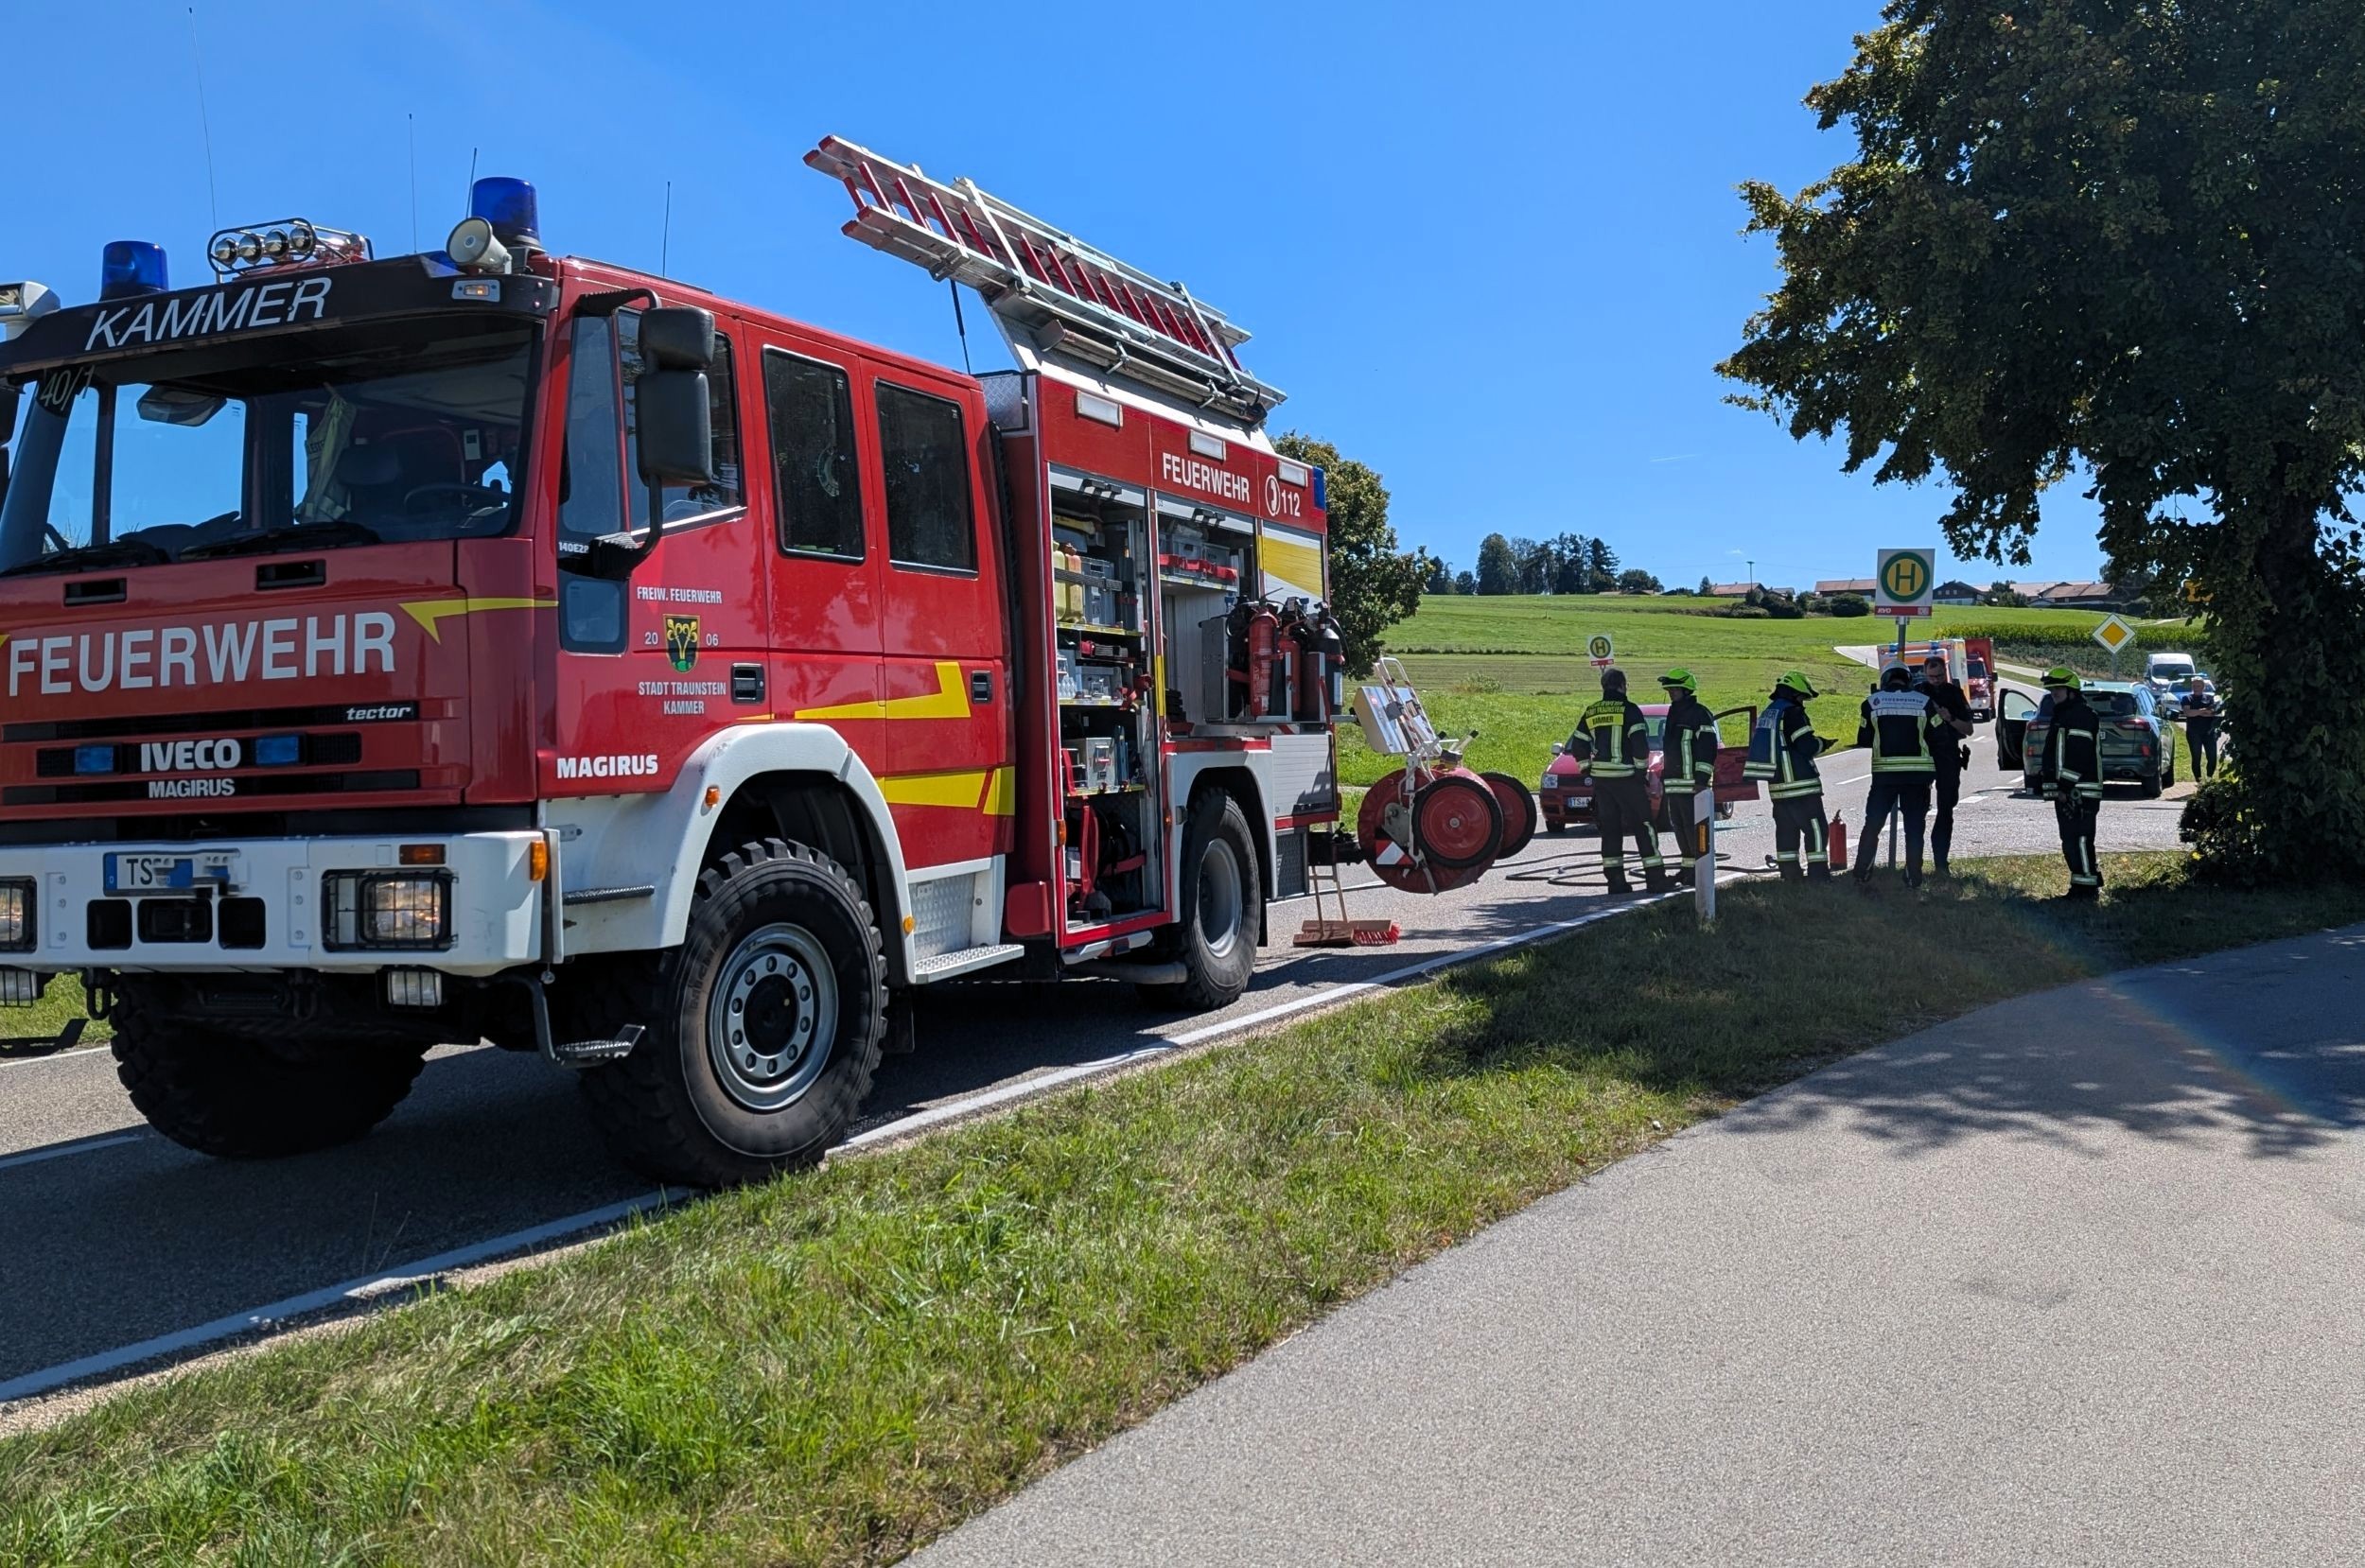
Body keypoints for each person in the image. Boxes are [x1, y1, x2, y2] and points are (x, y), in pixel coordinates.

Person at [1852, 665, 1944, 887]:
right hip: (1918, 776)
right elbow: (1939, 735)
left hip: (1885, 776)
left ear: (1885, 680)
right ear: (1908, 680)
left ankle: (1862, 872)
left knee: (1872, 824)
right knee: (1914, 827)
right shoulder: (1923, 702)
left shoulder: (1871, 703)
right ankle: (1914, 876)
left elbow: (1864, 739)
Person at [1577, 668, 1667, 895]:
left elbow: (1579, 744)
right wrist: (1640, 772)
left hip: (1602, 782)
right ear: (1623, 685)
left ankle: (1615, 882)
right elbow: (1640, 745)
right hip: (1627, 778)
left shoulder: (1592, 711)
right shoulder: (1630, 710)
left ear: (1603, 687)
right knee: (1644, 826)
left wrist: (1587, 769)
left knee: (1610, 830)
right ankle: (1655, 881)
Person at [1743, 671, 1833, 881]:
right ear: (1795, 694)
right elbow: (1806, 745)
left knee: (1786, 831)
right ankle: (1819, 875)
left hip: (1778, 788)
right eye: (1803, 697)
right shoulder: (1792, 712)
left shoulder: (1770, 713)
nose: (1803, 702)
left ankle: (1790, 874)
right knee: (1816, 829)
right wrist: (1824, 743)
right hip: (1801, 785)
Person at [2033, 665, 2104, 898]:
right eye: (2051, 693)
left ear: (2072, 692)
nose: (2054, 698)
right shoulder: (2064, 716)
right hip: (2069, 790)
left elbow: (2078, 755)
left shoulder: (2081, 716)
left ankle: (2087, 887)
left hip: (2080, 791)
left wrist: (2064, 786)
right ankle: (2079, 884)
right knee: (2070, 839)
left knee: (2081, 839)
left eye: (2058, 693)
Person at [1916, 653, 1976, 874]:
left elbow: (1968, 729)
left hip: (1948, 755)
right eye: (1932, 677)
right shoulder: (1918, 693)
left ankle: (1941, 862)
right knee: (1917, 810)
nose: (1936, 680)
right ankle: (1916, 863)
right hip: (1922, 756)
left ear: (1945, 673)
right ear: (1925, 674)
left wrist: (1949, 718)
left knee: (1946, 809)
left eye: (1940, 676)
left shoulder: (1954, 694)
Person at [1657, 668, 1720, 881]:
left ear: (1686, 690)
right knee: (1680, 829)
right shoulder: (1673, 713)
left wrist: (1701, 780)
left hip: (1692, 784)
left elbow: (1708, 749)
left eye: (1675, 689)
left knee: (1696, 831)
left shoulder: (1699, 714)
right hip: (1675, 785)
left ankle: (1701, 871)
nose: (1672, 693)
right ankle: (1688, 870)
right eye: (1670, 689)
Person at [2184, 675, 2221, 780]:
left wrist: (2196, 712)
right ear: (2192, 686)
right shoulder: (2187, 698)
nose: (2196, 687)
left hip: (2209, 732)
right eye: (2194, 685)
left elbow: (2214, 713)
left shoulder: (2210, 698)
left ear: (2203, 686)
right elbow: (2188, 713)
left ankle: (2209, 778)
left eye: (2199, 685)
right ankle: (2199, 780)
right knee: (2196, 757)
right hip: (2193, 732)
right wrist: (2203, 711)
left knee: (2212, 757)